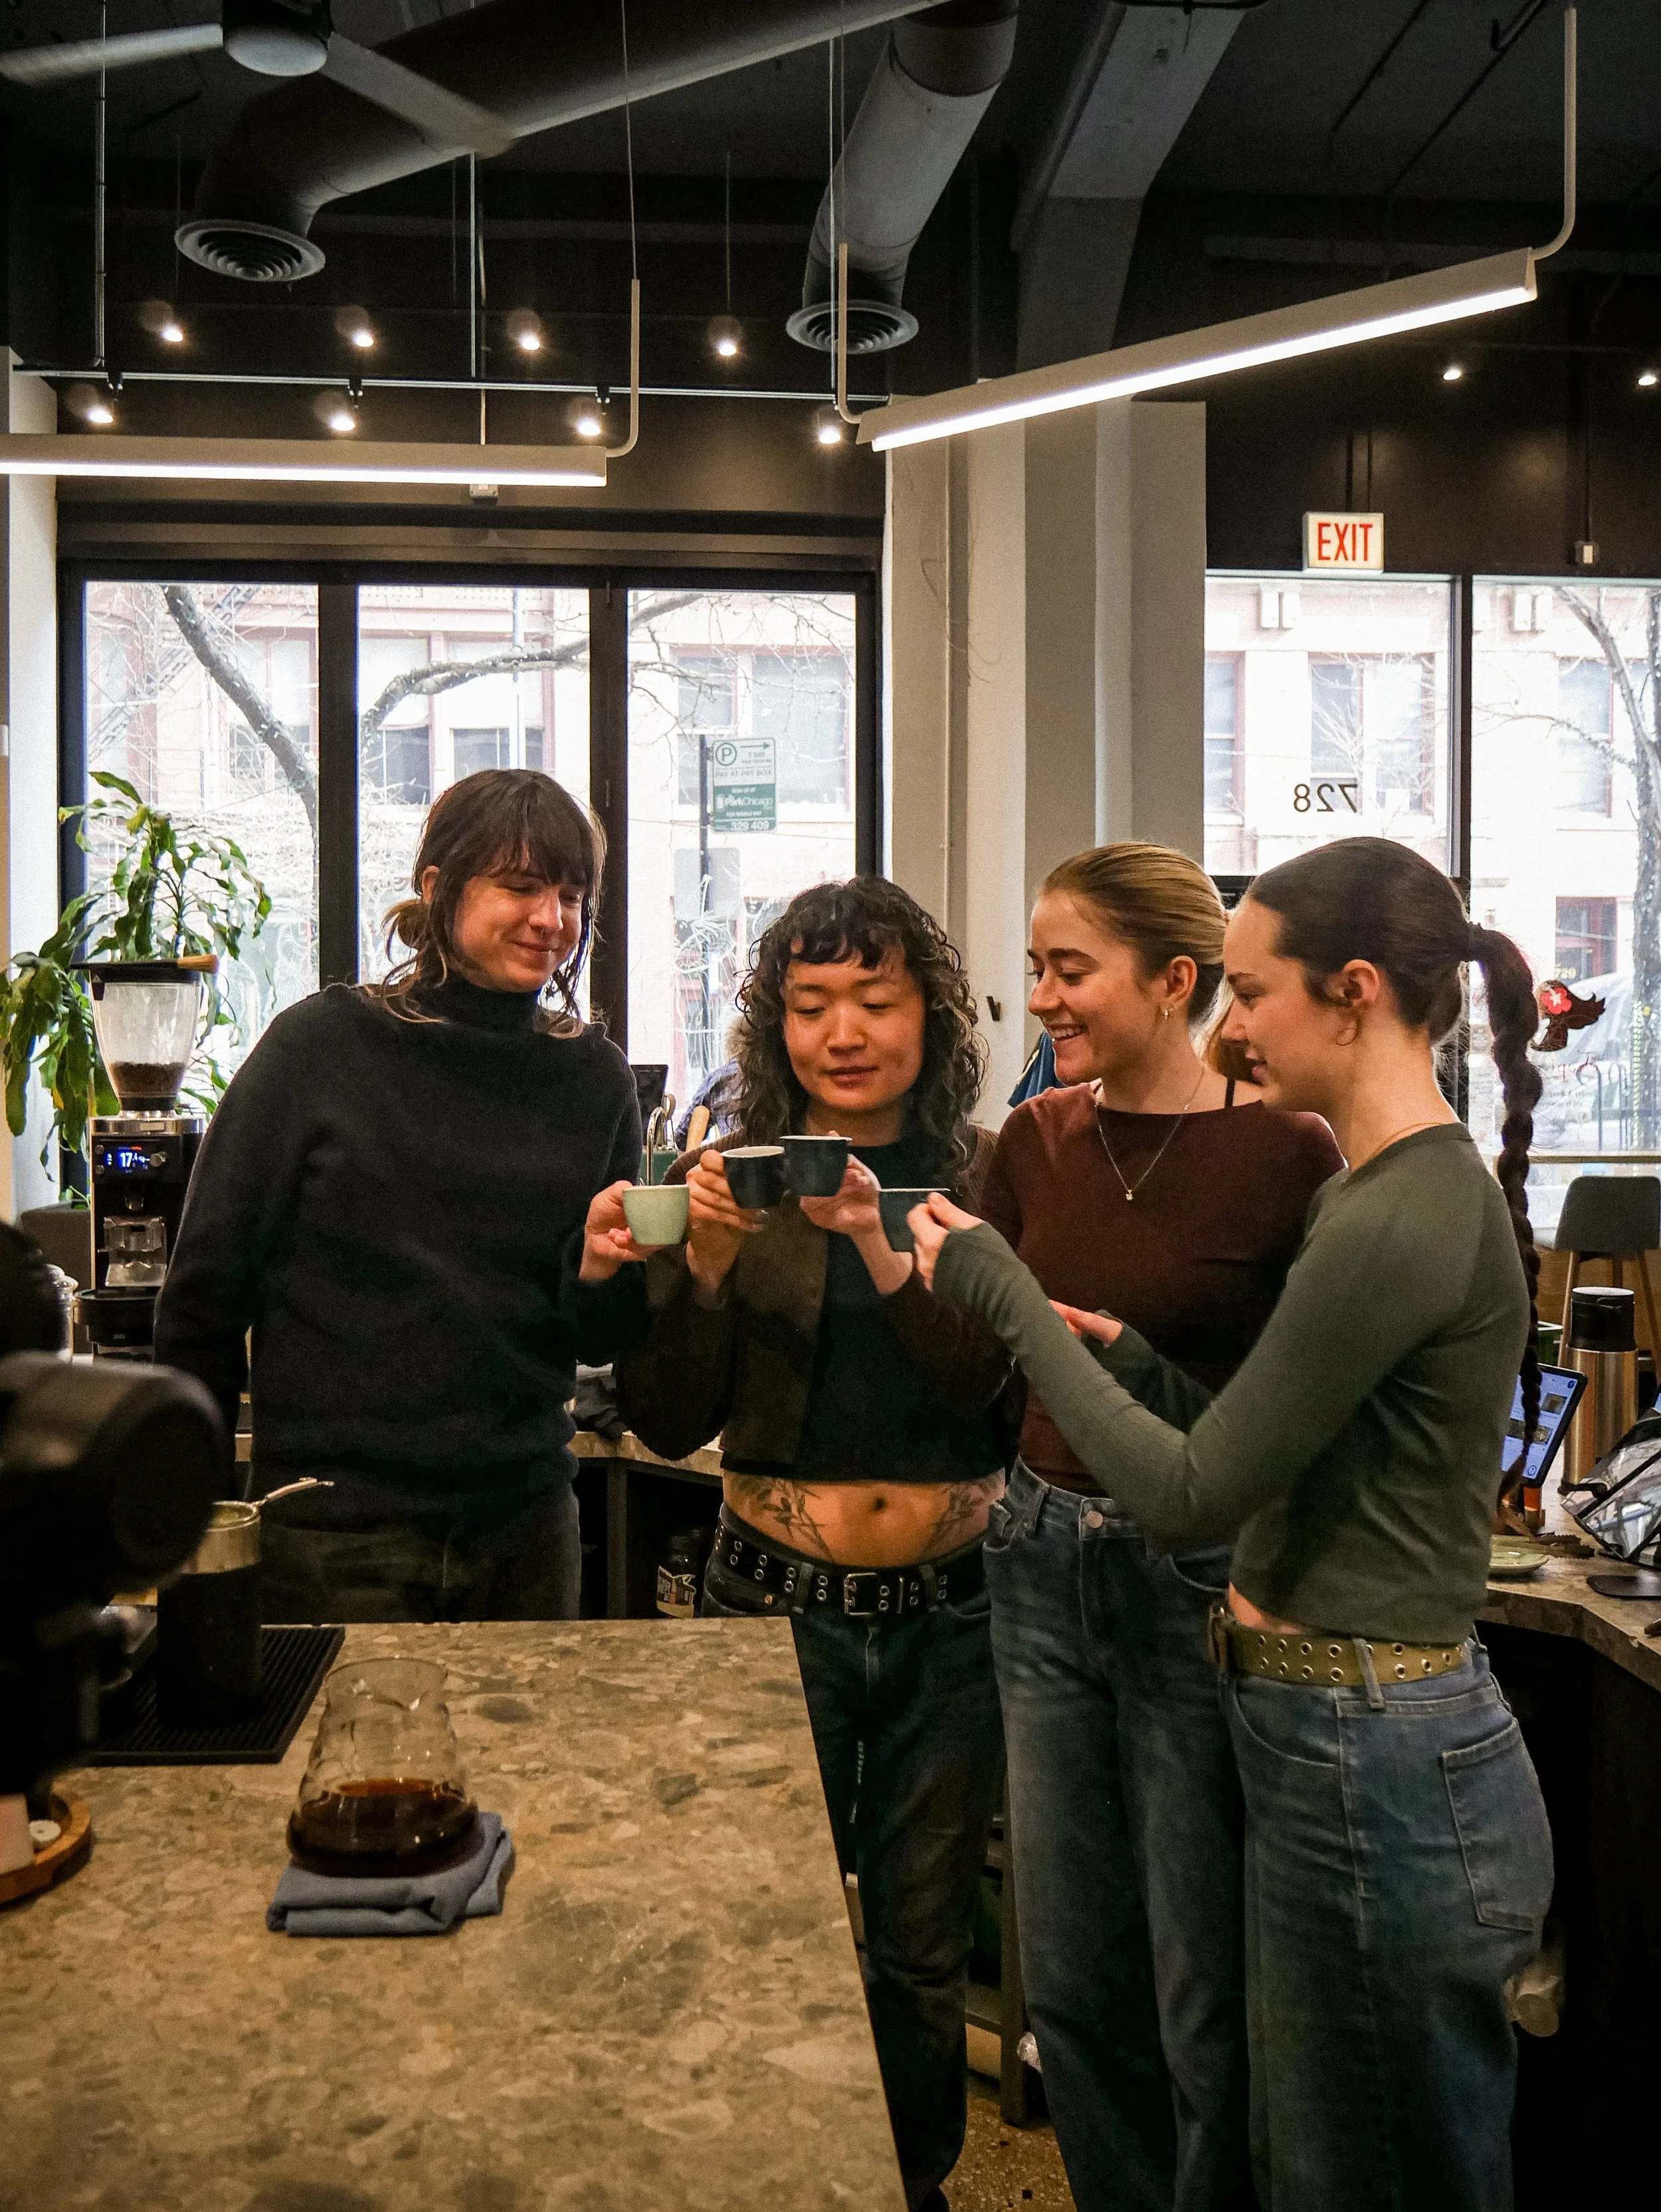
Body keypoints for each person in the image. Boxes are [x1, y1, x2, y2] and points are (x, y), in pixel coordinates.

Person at [912, 836, 1553, 2212]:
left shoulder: (1390, 1212)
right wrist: (1133, 1361)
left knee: (1359, 2164)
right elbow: (1284, 1445)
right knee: (1318, 2154)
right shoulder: (1383, 1196)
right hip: (1328, 1730)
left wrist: (1000, 1289)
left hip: (1371, 1748)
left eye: (1251, 992)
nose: (1232, 1022)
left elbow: (1190, 1495)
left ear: (1354, 994)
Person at [577, 877, 1013, 2212]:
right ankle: (761, 2175)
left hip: (953, 1615)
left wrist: (882, 1245)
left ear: (929, 1016)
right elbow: (662, 1419)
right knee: (758, 1919)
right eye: (811, 1004)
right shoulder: (731, 1173)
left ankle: (912, 2184)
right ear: (776, 1025)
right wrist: (695, 1266)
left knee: (921, 1937)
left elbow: (992, 1398)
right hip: (765, 1608)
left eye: (875, 1000)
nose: (843, 1031)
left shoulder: (990, 1174)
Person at [972, 844, 1341, 2212]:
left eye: (1070, 971)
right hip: (1035, 1554)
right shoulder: (1032, 1141)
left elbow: (1307, 1400)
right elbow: (979, 1361)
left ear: (1173, 980)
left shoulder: (1286, 1153)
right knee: (1069, 1978)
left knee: (1202, 1978)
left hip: (1195, 1574)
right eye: (1037, 971)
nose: (1045, 998)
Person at [154, 769, 640, 1624]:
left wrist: (602, 1271)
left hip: (523, 1530)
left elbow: (599, 1335)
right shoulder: (318, 1049)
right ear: (438, 889)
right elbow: (204, 1295)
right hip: (332, 1533)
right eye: (520, 888)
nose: (551, 919)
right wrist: (190, 1520)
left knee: (529, 1762)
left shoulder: (593, 1079)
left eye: (571, 895)